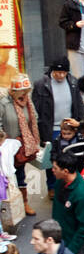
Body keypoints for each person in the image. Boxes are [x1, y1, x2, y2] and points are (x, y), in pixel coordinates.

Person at [0, 75, 41, 215]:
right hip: (6, 145)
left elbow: (34, 117)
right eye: (21, 90)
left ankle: (24, 203)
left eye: (26, 90)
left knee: (21, 174)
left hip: (22, 145)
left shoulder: (28, 102)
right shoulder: (4, 103)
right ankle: (8, 204)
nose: (24, 93)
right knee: (6, 175)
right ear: (14, 90)